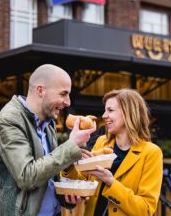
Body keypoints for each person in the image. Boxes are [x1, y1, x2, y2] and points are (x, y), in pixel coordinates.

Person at [0, 64, 95, 216]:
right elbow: (27, 177)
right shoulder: (10, 119)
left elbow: (49, 176)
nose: (68, 102)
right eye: (63, 94)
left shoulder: (48, 122)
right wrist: (70, 146)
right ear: (40, 90)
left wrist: (67, 197)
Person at [63, 88, 163, 216]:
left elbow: (146, 209)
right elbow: (82, 181)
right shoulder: (101, 142)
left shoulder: (151, 153)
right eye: (105, 110)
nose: (104, 115)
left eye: (110, 110)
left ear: (128, 113)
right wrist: (68, 164)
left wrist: (110, 182)